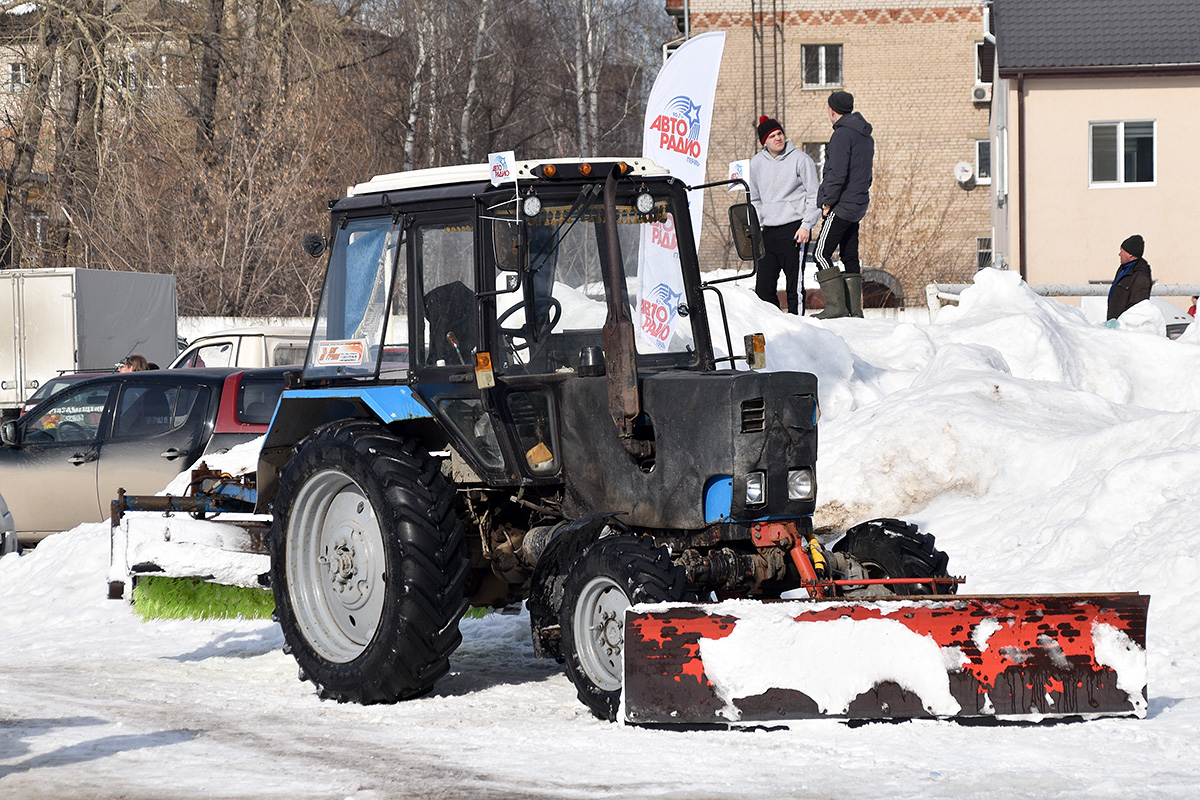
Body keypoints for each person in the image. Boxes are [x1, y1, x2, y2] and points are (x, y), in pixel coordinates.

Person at [747, 115, 821, 314]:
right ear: (764, 142)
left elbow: (814, 194)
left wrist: (806, 225)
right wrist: (761, 222)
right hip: (769, 230)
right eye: (772, 136)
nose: (778, 138)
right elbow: (755, 199)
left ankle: (797, 328)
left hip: (795, 228)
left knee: (794, 287)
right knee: (763, 288)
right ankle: (774, 326)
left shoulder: (801, 159)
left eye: (779, 133)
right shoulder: (756, 164)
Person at [813, 90, 874, 319]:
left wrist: (827, 202)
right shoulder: (865, 136)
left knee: (820, 253)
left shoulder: (842, 135)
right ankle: (854, 311)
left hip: (842, 205)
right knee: (849, 255)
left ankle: (837, 308)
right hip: (858, 204)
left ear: (831, 110)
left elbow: (836, 173)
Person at [1106, 235, 1152, 321]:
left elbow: (1137, 307)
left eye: (1122, 251)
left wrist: (1123, 323)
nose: (1119, 254)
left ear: (1130, 254)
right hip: (1115, 323)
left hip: (1126, 327)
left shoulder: (1141, 276)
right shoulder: (1123, 269)